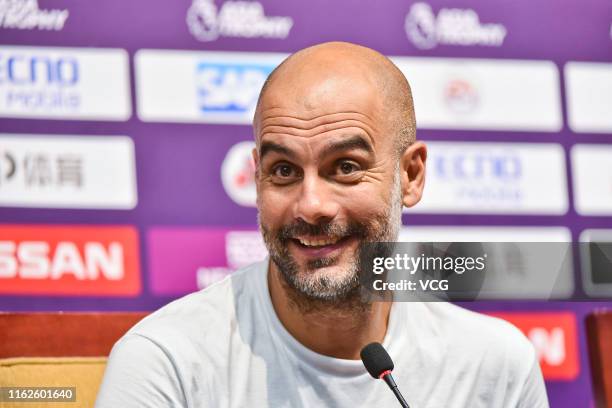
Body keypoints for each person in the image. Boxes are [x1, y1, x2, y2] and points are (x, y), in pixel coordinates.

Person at [95, 41, 548, 407]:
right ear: (257, 179)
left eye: (346, 167)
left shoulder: (495, 366)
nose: (311, 206)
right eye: (284, 171)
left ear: (410, 176)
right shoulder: (167, 361)